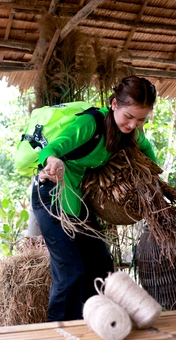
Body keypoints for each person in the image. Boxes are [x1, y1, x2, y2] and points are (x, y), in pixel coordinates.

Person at [32, 76, 158, 321]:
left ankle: (95, 324)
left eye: (141, 119)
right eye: (128, 116)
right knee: (71, 272)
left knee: (101, 266)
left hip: (78, 203)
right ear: (113, 104)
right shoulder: (91, 124)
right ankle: (57, 336)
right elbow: (51, 149)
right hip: (51, 197)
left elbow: (149, 154)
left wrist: (151, 178)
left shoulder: (129, 135)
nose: (133, 125)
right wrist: (53, 161)